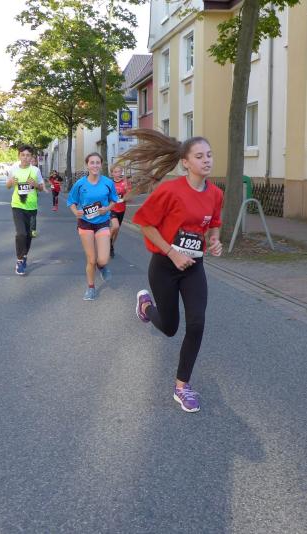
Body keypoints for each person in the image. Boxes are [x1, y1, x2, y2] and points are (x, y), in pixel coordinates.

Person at [124, 129, 224, 413]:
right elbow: (144, 223)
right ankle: (146, 307)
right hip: (165, 267)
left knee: (197, 323)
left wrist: (215, 241)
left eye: (209, 155)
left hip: (194, 267)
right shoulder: (170, 191)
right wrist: (172, 252)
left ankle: (182, 386)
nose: (206, 160)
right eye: (199, 156)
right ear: (185, 163)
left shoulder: (216, 193)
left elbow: (213, 223)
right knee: (169, 328)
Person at [67, 152, 118, 300]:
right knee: (91, 259)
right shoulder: (80, 184)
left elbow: (114, 200)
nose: (95, 165)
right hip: (85, 223)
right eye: (92, 162)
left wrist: (107, 209)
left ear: (101, 165)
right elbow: (71, 201)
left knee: (103, 260)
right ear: (87, 165)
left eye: (97, 162)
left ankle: (102, 267)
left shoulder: (108, 183)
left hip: (102, 222)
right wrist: (76, 212)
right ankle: (91, 288)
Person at [6, 145, 45, 275]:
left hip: (31, 206)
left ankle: (24, 255)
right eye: (23, 155)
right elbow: (7, 186)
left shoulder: (35, 170)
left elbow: (41, 187)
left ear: (31, 157)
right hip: (17, 205)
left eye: (28, 155)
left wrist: (35, 184)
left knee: (28, 235)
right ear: (19, 156)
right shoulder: (13, 169)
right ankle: (19, 260)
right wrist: (11, 182)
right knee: (21, 233)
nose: (25, 157)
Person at [108, 163, 134, 258]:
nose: (117, 174)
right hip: (112, 208)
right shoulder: (109, 183)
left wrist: (125, 197)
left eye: (119, 171)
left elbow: (130, 197)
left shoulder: (125, 183)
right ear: (112, 173)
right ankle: (108, 241)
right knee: (115, 226)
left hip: (122, 209)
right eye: (115, 172)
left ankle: (111, 246)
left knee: (117, 230)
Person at [30, 156, 44, 237]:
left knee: (32, 214)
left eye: (33, 161)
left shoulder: (36, 171)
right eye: (30, 161)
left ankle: (33, 230)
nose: (32, 163)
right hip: (22, 197)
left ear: (35, 162)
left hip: (32, 195)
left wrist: (36, 185)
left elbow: (40, 185)